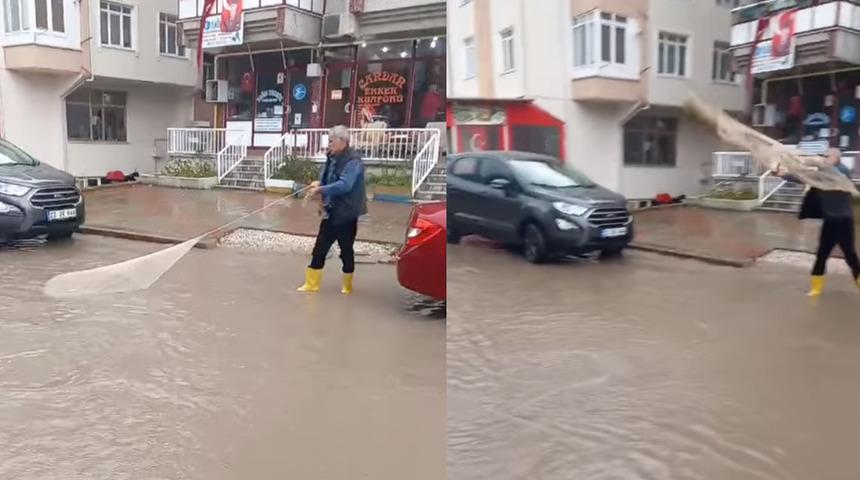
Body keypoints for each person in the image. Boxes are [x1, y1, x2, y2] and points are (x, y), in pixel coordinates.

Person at [773, 147, 860, 296]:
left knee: (850, 255)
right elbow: (806, 177)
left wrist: (812, 163)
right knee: (821, 254)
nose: (825, 158)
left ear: (836, 158)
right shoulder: (822, 175)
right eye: (824, 156)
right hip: (830, 221)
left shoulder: (842, 171)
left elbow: (828, 175)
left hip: (844, 221)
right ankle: (816, 288)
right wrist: (785, 175)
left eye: (827, 156)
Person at [297, 125, 367, 295]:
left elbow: (345, 185)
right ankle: (311, 285)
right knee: (320, 248)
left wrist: (321, 189)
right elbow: (327, 178)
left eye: (331, 141)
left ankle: (347, 285)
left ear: (342, 141)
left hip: (347, 213)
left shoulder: (353, 161)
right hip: (332, 211)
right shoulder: (332, 157)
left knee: (346, 250)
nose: (328, 144)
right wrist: (319, 185)